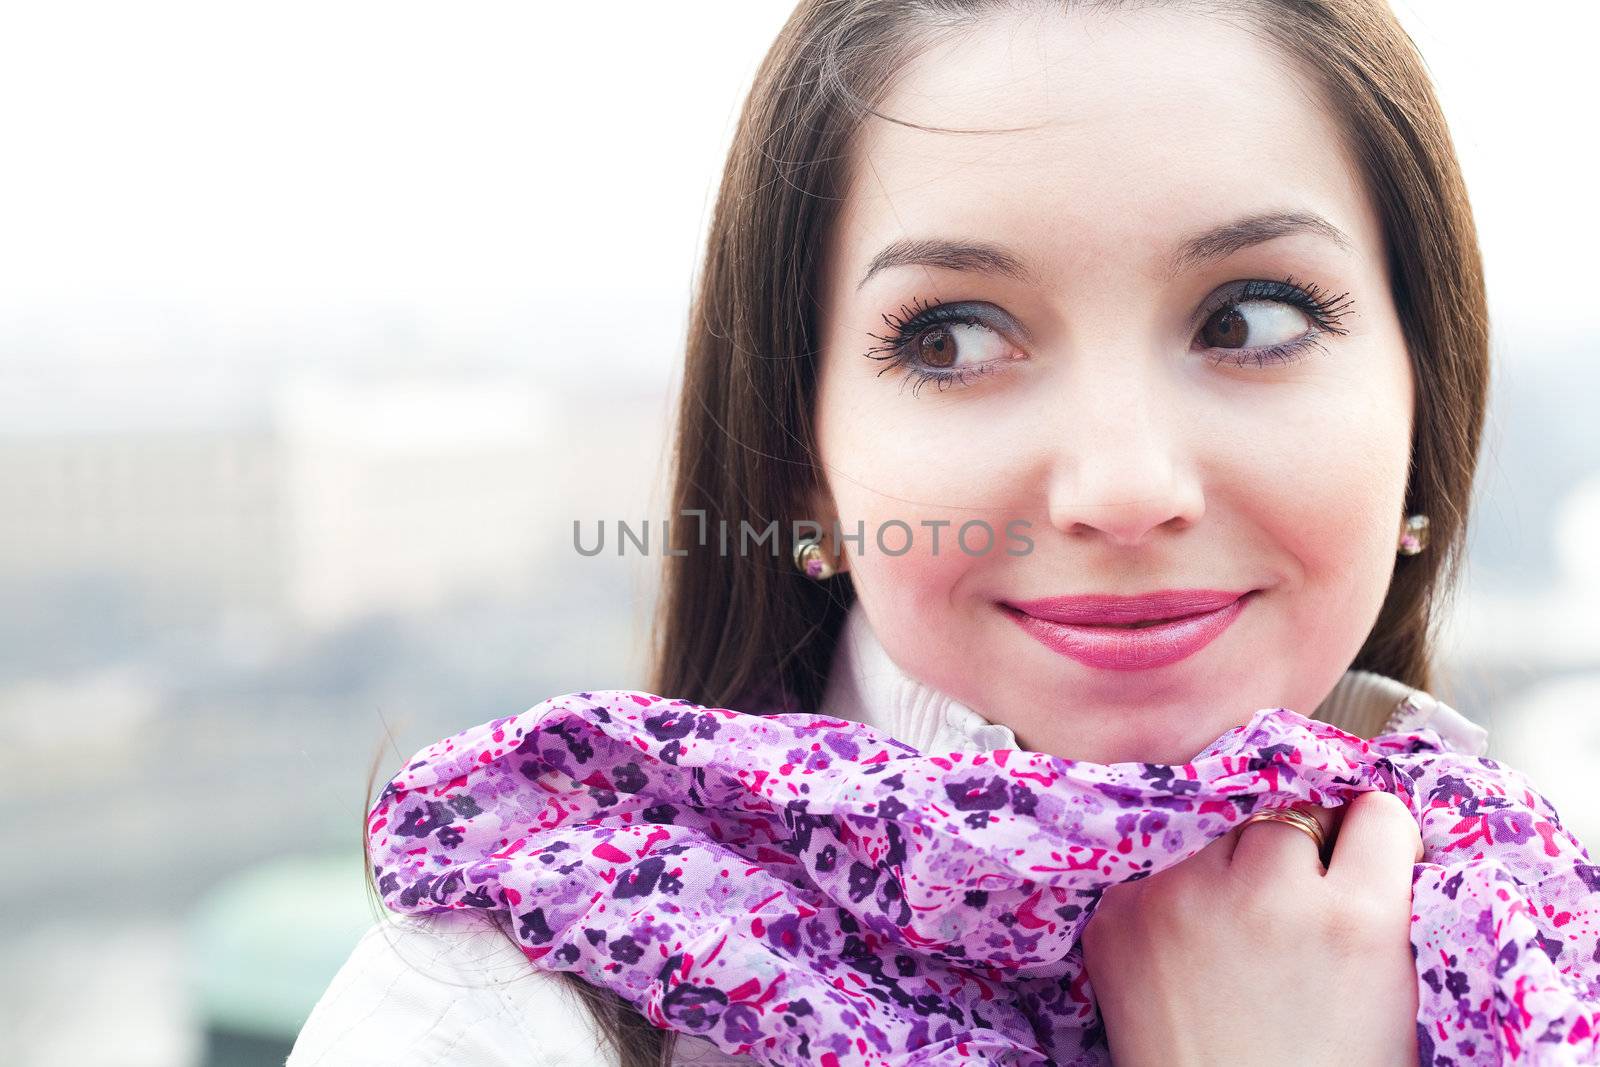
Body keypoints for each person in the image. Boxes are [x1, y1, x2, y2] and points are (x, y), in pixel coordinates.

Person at [287, 1, 1592, 1065]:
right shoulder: (498, 1021)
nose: (1123, 487)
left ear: (1424, 408)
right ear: (802, 462)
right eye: (954, 337)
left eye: (1248, 319)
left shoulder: (1541, 948)